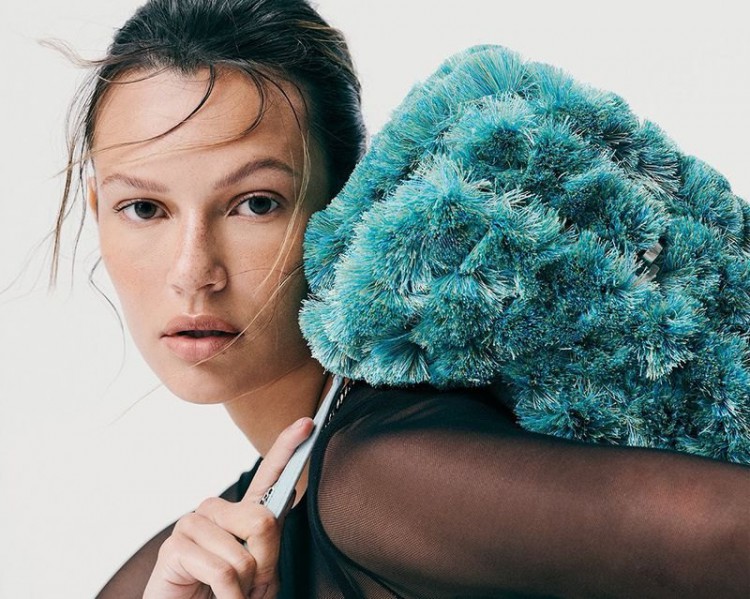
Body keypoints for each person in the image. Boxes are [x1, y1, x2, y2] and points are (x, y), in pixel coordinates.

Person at [54, 1, 749, 597]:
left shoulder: (380, 478)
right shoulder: (187, 566)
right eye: (143, 208)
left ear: (344, 206)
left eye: (256, 203)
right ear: (97, 209)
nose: (192, 271)